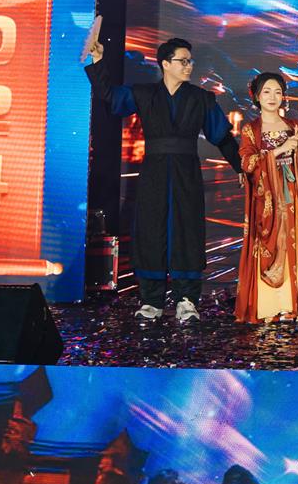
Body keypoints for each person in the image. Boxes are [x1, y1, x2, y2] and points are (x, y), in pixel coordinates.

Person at [86, 31, 244, 324]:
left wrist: (242, 169)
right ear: (165, 64)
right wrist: (98, 61)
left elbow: (222, 137)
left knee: (187, 231)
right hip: (154, 172)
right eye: (183, 61)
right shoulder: (145, 94)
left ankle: (187, 300)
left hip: (187, 173)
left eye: (190, 61)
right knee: (151, 229)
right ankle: (151, 300)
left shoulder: (201, 98)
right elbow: (110, 95)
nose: (189, 66)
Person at [232, 71, 298, 324]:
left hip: (292, 194)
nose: (272, 97)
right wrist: (279, 150)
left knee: (294, 241)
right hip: (267, 198)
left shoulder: (293, 125)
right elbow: (247, 162)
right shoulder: (251, 129)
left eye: (278, 92)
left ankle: (292, 305)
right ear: (257, 97)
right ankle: (268, 306)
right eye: (267, 92)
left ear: (284, 97)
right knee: (269, 243)